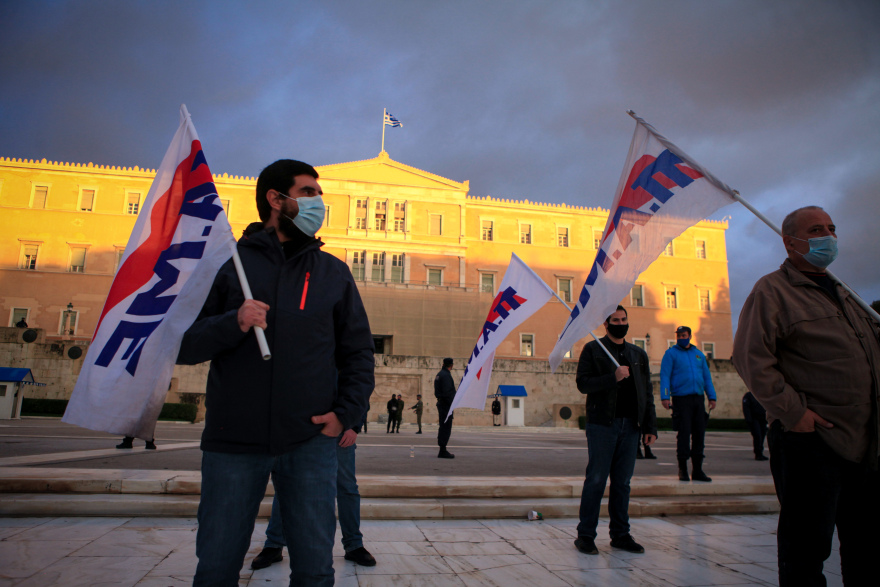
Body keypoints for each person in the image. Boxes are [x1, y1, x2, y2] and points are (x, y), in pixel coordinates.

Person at [177, 159, 374, 586]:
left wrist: (347, 413)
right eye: (308, 193)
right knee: (215, 567)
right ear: (275, 198)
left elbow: (358, 352)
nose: (318, 202)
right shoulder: (228, 264)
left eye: (319, 194)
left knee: (315, 571)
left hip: (309, 443)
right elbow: (183, 344)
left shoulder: (333, 273)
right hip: (233, 442)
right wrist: (234, 322)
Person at [732, 206, 879, 586]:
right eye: (816, 230)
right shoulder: (772, 291)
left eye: (832, 228)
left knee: (867, 547)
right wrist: (793, 413)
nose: (828, 236)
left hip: (865, 442)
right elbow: (751, 358)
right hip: (812, 442)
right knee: (806, 552)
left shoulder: (848, 293)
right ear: (790, 241)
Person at [573, 306, 657, 556]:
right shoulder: (593, 350)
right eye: (615, 320)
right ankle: (586, 535)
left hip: (630, 426)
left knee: (622, 482)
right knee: (596, 480)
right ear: (606, 324)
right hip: (602, 425)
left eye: (624, 319)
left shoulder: (638, 354)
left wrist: (649, 426)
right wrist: (613, 377)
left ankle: (620, 534)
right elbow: (583, 384)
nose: (621, 323)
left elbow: (647, 392)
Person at [251, 426, 376, 570]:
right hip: (298, 429)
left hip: (338, 430)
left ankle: (354, 544)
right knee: (285, 485)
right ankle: (273, 544)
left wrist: (353, 427)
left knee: (347, 488)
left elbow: (361, 401)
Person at [660, 326, 716, 482]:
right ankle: (682, 469)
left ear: (690, 336)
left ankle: (697, 470)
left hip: (698, 399)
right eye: (678, 335)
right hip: (680, 399)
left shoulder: (699, 355)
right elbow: (665, 376)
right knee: (683, 434)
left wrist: (712, 397)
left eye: (684, 335)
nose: (681, 338)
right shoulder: (671, 354)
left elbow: (706, 377)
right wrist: (665, 396)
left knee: (699, 434)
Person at [434, 357, 456, 459]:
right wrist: (452, 404)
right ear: (451, 365)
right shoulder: (446, 375)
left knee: (443, 426)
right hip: (446, 405)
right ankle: (442, 450)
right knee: (446, 427)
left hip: (442, 403)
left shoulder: (439, 374)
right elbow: (447, 393)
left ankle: (442, 449)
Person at [741, 392, 768, 461]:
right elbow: (746, 407)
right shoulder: (749, 396)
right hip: (754, 419)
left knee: (762, 435)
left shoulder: (763, 395)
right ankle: (758, 453)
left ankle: (760, 452)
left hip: (763, 419)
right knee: (757, 435)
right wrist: (748, 419)